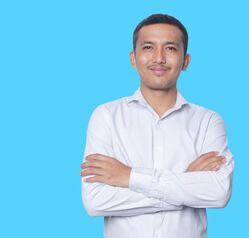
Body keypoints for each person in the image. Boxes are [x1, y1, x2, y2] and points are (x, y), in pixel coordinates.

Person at [79, 14, 235, 238]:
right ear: (133, 58)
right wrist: (184, 185)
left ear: (185, 61)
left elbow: (218, 193)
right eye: (148, 47)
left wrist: (130, 177)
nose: (159, 58)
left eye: (170, 48)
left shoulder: (209, 121)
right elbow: (95, 201)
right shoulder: (106, 116)